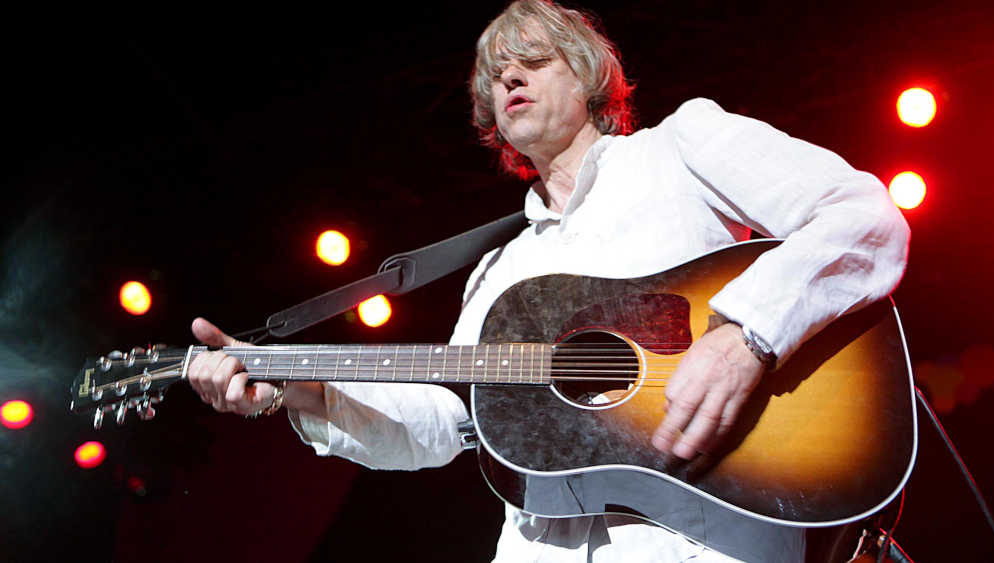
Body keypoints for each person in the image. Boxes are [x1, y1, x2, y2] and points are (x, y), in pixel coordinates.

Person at [187, 1, 910, 561]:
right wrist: (298, 387)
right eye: (495, 76)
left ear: (590, 73)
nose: (508, 79)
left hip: (701, 541)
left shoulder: (681, 150)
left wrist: (745, 335)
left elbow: (860, 216)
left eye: (530, 60)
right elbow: (446, 423)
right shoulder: (499, 272)